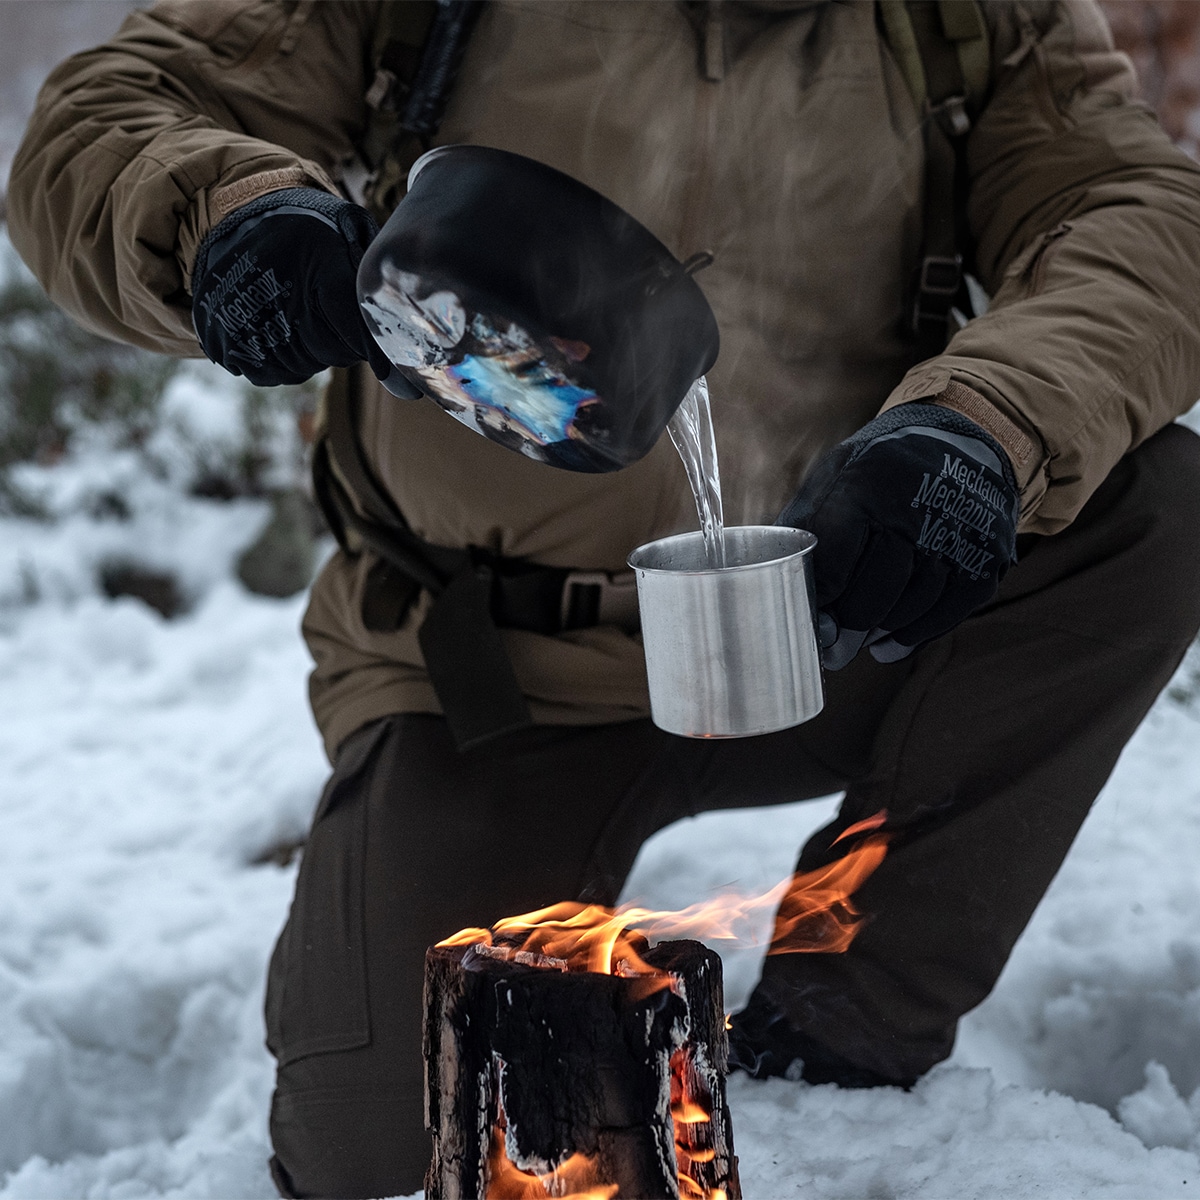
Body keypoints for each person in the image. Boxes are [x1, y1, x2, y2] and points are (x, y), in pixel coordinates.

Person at [10, 1, 1200, 1195]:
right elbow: (108, 115)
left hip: (833, 627)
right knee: (385, 1149)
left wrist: (986, 425)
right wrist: (228, 218)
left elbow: (1138, 211)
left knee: (1153, 504)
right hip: (496, 676)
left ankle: (849, 1025)